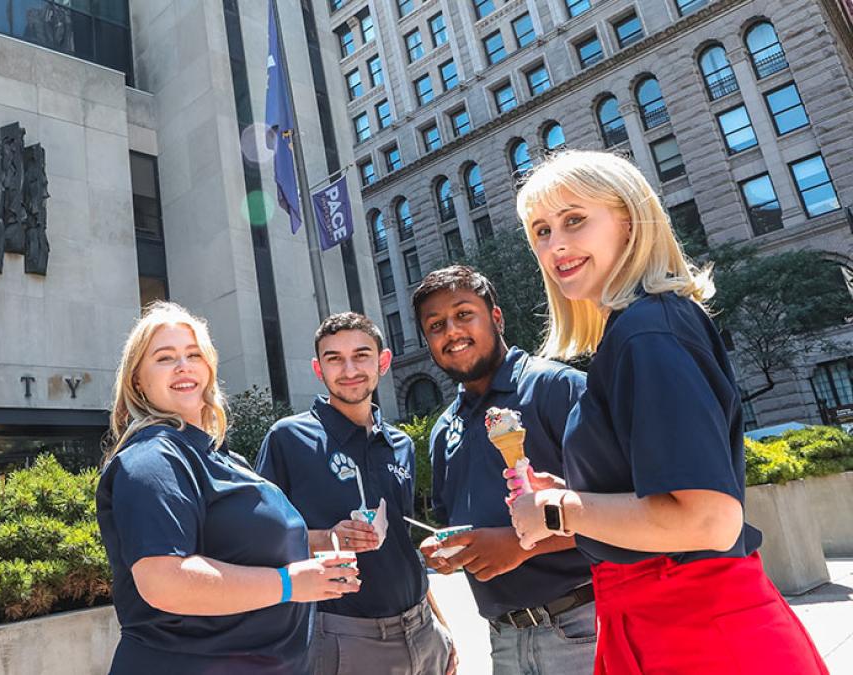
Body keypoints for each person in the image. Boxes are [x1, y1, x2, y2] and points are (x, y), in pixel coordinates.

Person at [507, 149, 828, 674]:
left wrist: (557, 509)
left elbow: (709, 520)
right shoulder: (637, 330)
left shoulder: (649, 331)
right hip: (664, 628)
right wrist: (570, 500)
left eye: (574, 220)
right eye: (541, 230)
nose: (556, 244)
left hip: (700, 637)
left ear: (630, 223)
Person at [96, 301, 359, 675]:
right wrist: (289, 584)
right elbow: (163, 581)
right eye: (165, 357)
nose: (183, 365)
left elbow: (240, 551)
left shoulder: (221, 457)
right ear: (138, 379)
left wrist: (318, 554)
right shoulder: (152, 458)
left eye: (193, 354)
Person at [412, 266, 596, 675]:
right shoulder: (444, 430)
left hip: (584, 627)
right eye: (436, 325)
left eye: (464, 314)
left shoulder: (558, 387)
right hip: (503, 640)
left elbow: (628, 508)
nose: (452, 332)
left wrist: (520, 544)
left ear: (496, 318)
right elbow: (459, 525)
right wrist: (450, 552)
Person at [256, 312, 457, 675]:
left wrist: (440, 625)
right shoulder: (287, 439)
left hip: (422, 630)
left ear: (383, 362)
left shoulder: (400, 444)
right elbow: (257, 541)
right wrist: (325, 538)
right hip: (343, 639)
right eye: (335, 358)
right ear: (319, 370)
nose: (349, 369)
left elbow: (401, 544)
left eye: (361, 355)